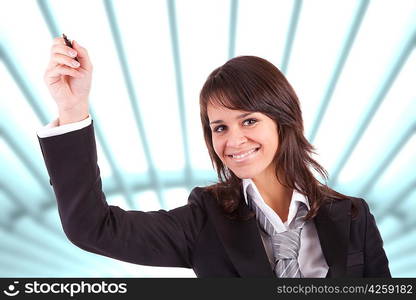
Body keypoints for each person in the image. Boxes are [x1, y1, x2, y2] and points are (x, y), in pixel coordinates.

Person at [37, 36, 391, 278]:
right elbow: (93, 228)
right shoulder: (204, 220)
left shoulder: (353, 216)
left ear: (284, 122)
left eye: (249, 120)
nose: (234, 140)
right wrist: (72, 107)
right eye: (219, 127)